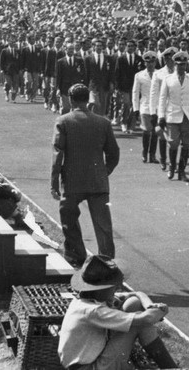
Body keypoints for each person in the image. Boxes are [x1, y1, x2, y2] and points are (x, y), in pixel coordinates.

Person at [58, 255, 176, 370]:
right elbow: (147, 319)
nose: (117, 289)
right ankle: (171, 367)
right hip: (90, 367)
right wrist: (161, 310)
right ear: (100, 289)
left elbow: (137, 294)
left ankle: (170, 367)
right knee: (139, 323)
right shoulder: (93, 311)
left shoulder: (86, 300)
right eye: (113, 287)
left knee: (133, 304)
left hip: (91, 362)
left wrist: (149, 305)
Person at [51, 84, 120, 267]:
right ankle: (106, 261)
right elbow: (114, 152)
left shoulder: (63, 121)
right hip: (98, 181)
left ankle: (77, 256)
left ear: (71, 100)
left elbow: (58, 154)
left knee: (68, 217)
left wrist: (54, 183)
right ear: (87, 99)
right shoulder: (103, 122)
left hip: (72, 181)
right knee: (103, 225)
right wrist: (104, 171)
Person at [157, 51, 189, 181]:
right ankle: (172, 167)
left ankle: (182, 171)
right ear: (175, 65)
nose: (181, 67)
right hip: (172, 114)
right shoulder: (168, 79)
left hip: (187, 116)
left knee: (187, 144)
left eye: (184, 65)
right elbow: (162, 98)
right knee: (173, 143)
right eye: (179, 65)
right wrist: (161, 116)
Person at [132, 53, 159, 163]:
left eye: (152, 62)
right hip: (145, 105)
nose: (150, 64)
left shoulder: (160, 74)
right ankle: (144, 152)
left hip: (157, 106)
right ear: (145, 63)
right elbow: (135, 92)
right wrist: (136, 109)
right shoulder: (139, 75)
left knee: (156, 131)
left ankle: (152, 154)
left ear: (155, 62)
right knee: (146, 130)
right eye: (148, 62)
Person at [85, 37, 116, 117]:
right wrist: (86, 85)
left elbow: (111, 72)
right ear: (94, 47)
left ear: (103, 47)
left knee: (103, 103)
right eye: (97, 46)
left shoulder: (108, 58)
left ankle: (100, 120)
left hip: (104, 84)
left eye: (100, 46)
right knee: (95, 102)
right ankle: (92, 116)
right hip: (93, 84)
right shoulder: (88, 58)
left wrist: (111, 83)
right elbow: (86, 73)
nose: (98, 47)